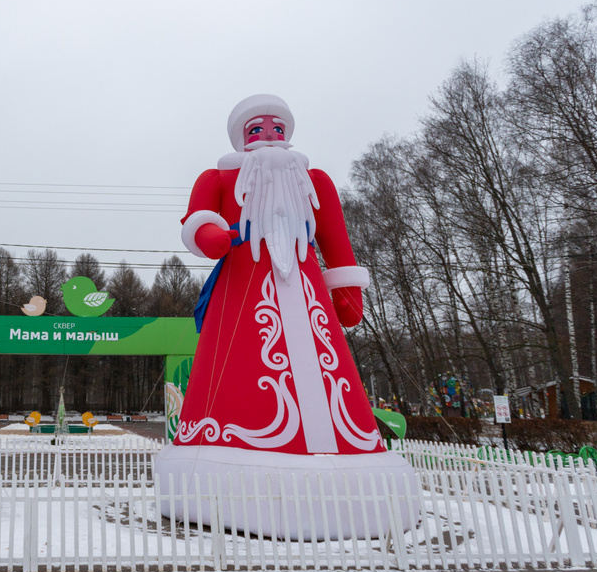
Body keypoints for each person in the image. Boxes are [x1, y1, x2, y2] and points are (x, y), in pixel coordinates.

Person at [153, 95, 417, 539]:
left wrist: (347, 287)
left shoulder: (313, 180)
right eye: (256, 129)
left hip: (306, 279)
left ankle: (343, 447)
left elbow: (335, 237)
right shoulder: (218, 176)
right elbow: (198, 220)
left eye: (277, 128)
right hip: (241, 281)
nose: (269, 136)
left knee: (326, 363)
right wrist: (215, 235)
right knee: (241, 362)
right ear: (241, 138)